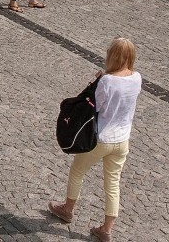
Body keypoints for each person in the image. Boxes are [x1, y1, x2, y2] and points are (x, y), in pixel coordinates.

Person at [48, 38, 142, 242]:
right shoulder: (137, 78)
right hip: (122, 140)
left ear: (112, 56)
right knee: (113, 183)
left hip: (101, 139)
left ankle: (67, 209)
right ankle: (106, 229)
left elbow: (95, 106)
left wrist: (101, 79)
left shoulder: (107, 81)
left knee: (77, 171)